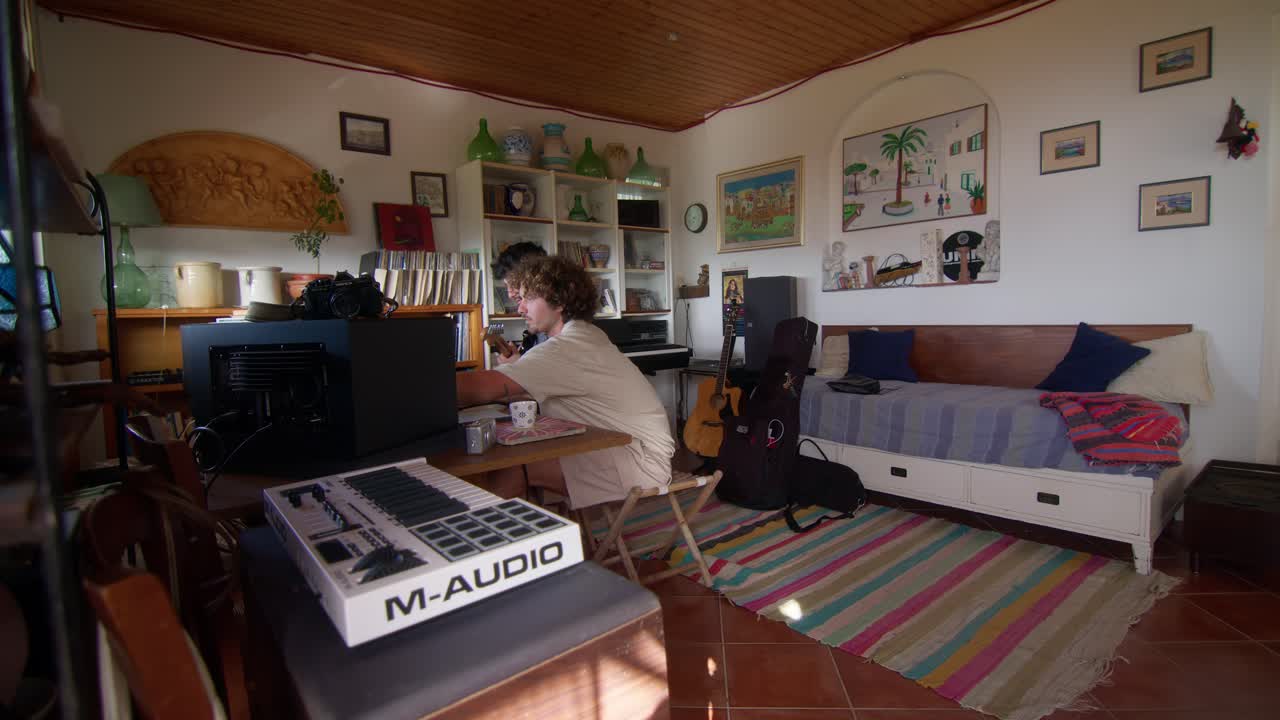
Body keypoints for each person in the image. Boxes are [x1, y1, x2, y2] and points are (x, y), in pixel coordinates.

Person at [456, 255, 675, 508]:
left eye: (528, 298)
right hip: (633, 452)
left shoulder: (568, 347)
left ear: (557, 302)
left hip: (638, 463)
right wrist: (517, 369)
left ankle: (502, 542)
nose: (520, 309)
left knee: (512, 465)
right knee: (518, 453)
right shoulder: (583, 336)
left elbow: (479, 388)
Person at [489, 241, 547, 363]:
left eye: (513, 284)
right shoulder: (536, 327)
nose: (510, 294)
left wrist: (517, 367)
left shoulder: (557, 329)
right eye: (507, 286)